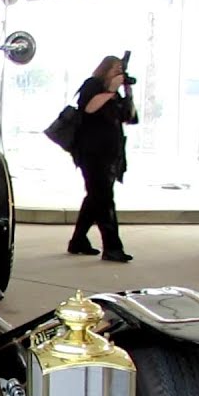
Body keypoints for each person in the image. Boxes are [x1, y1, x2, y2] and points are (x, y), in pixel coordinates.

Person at [67, 55, 135, 263]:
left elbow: (130, 117)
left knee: (95, 198)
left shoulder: (116, 95)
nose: (118, 73)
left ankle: (78, 241)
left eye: (120, 69)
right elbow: (88, 107)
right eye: (115, 68)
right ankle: (112, 247)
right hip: (91, 153)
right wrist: (111, 90)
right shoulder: (93, 85)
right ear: (105, 69)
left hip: (111, 154)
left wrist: (128, 93)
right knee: (104, 200)